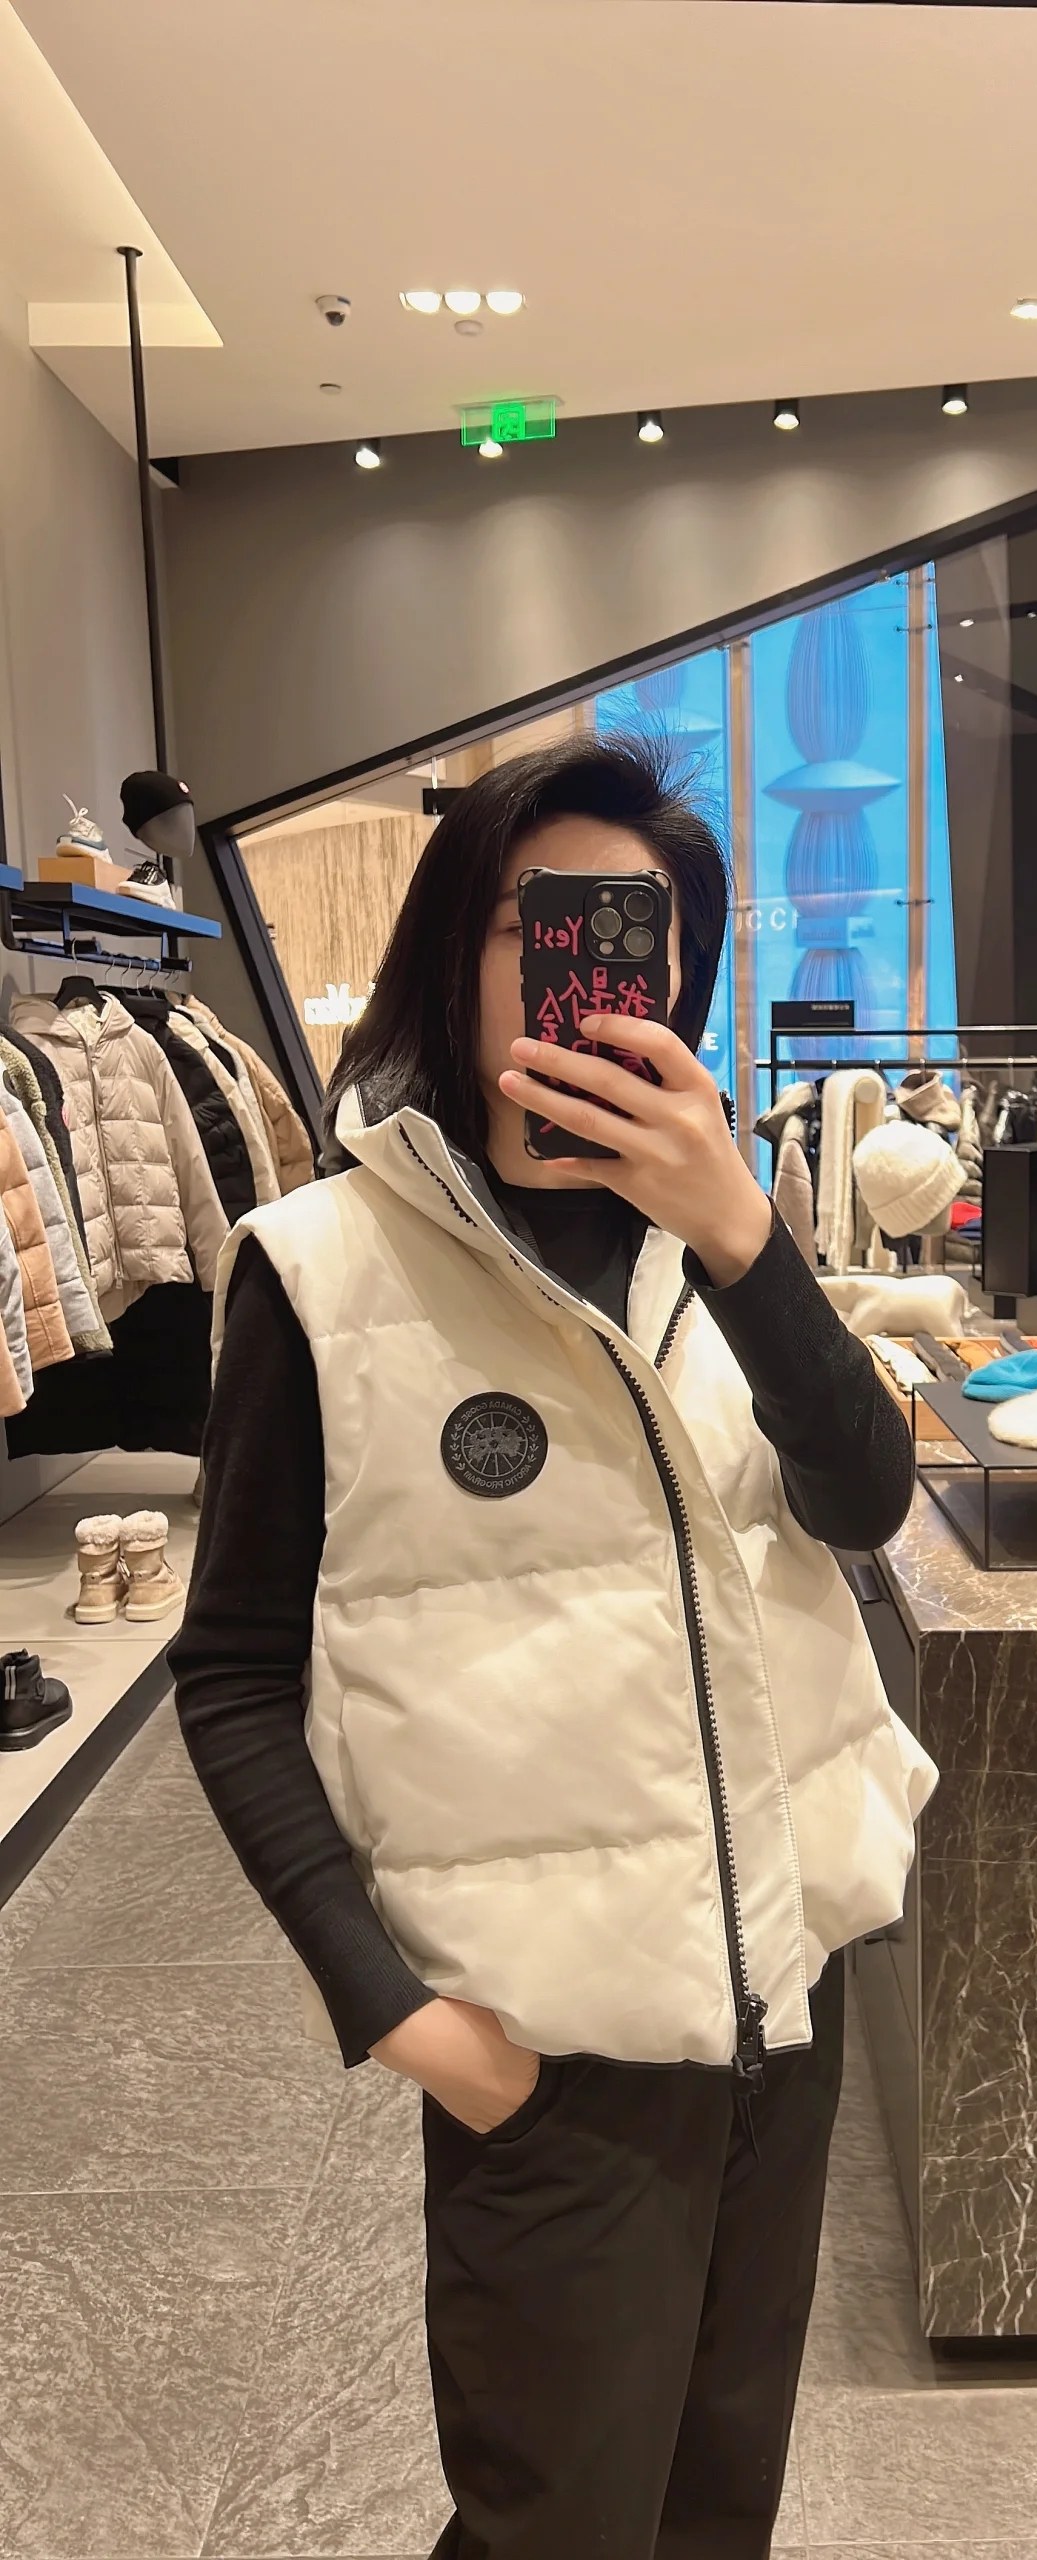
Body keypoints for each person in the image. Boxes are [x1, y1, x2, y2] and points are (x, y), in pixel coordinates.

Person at [170, 733, 936, 2560]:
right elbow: (233, 1673)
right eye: (548, 919)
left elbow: (861, 1500)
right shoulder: (319, 1269)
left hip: (784, 2000)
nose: (595, 961)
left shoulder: (721, 1236)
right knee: (559, 2520)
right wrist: (403, 2015)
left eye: (641, 930)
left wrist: (745, 1239)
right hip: (549, 2049)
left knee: (719, 2500)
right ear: (462, 947)